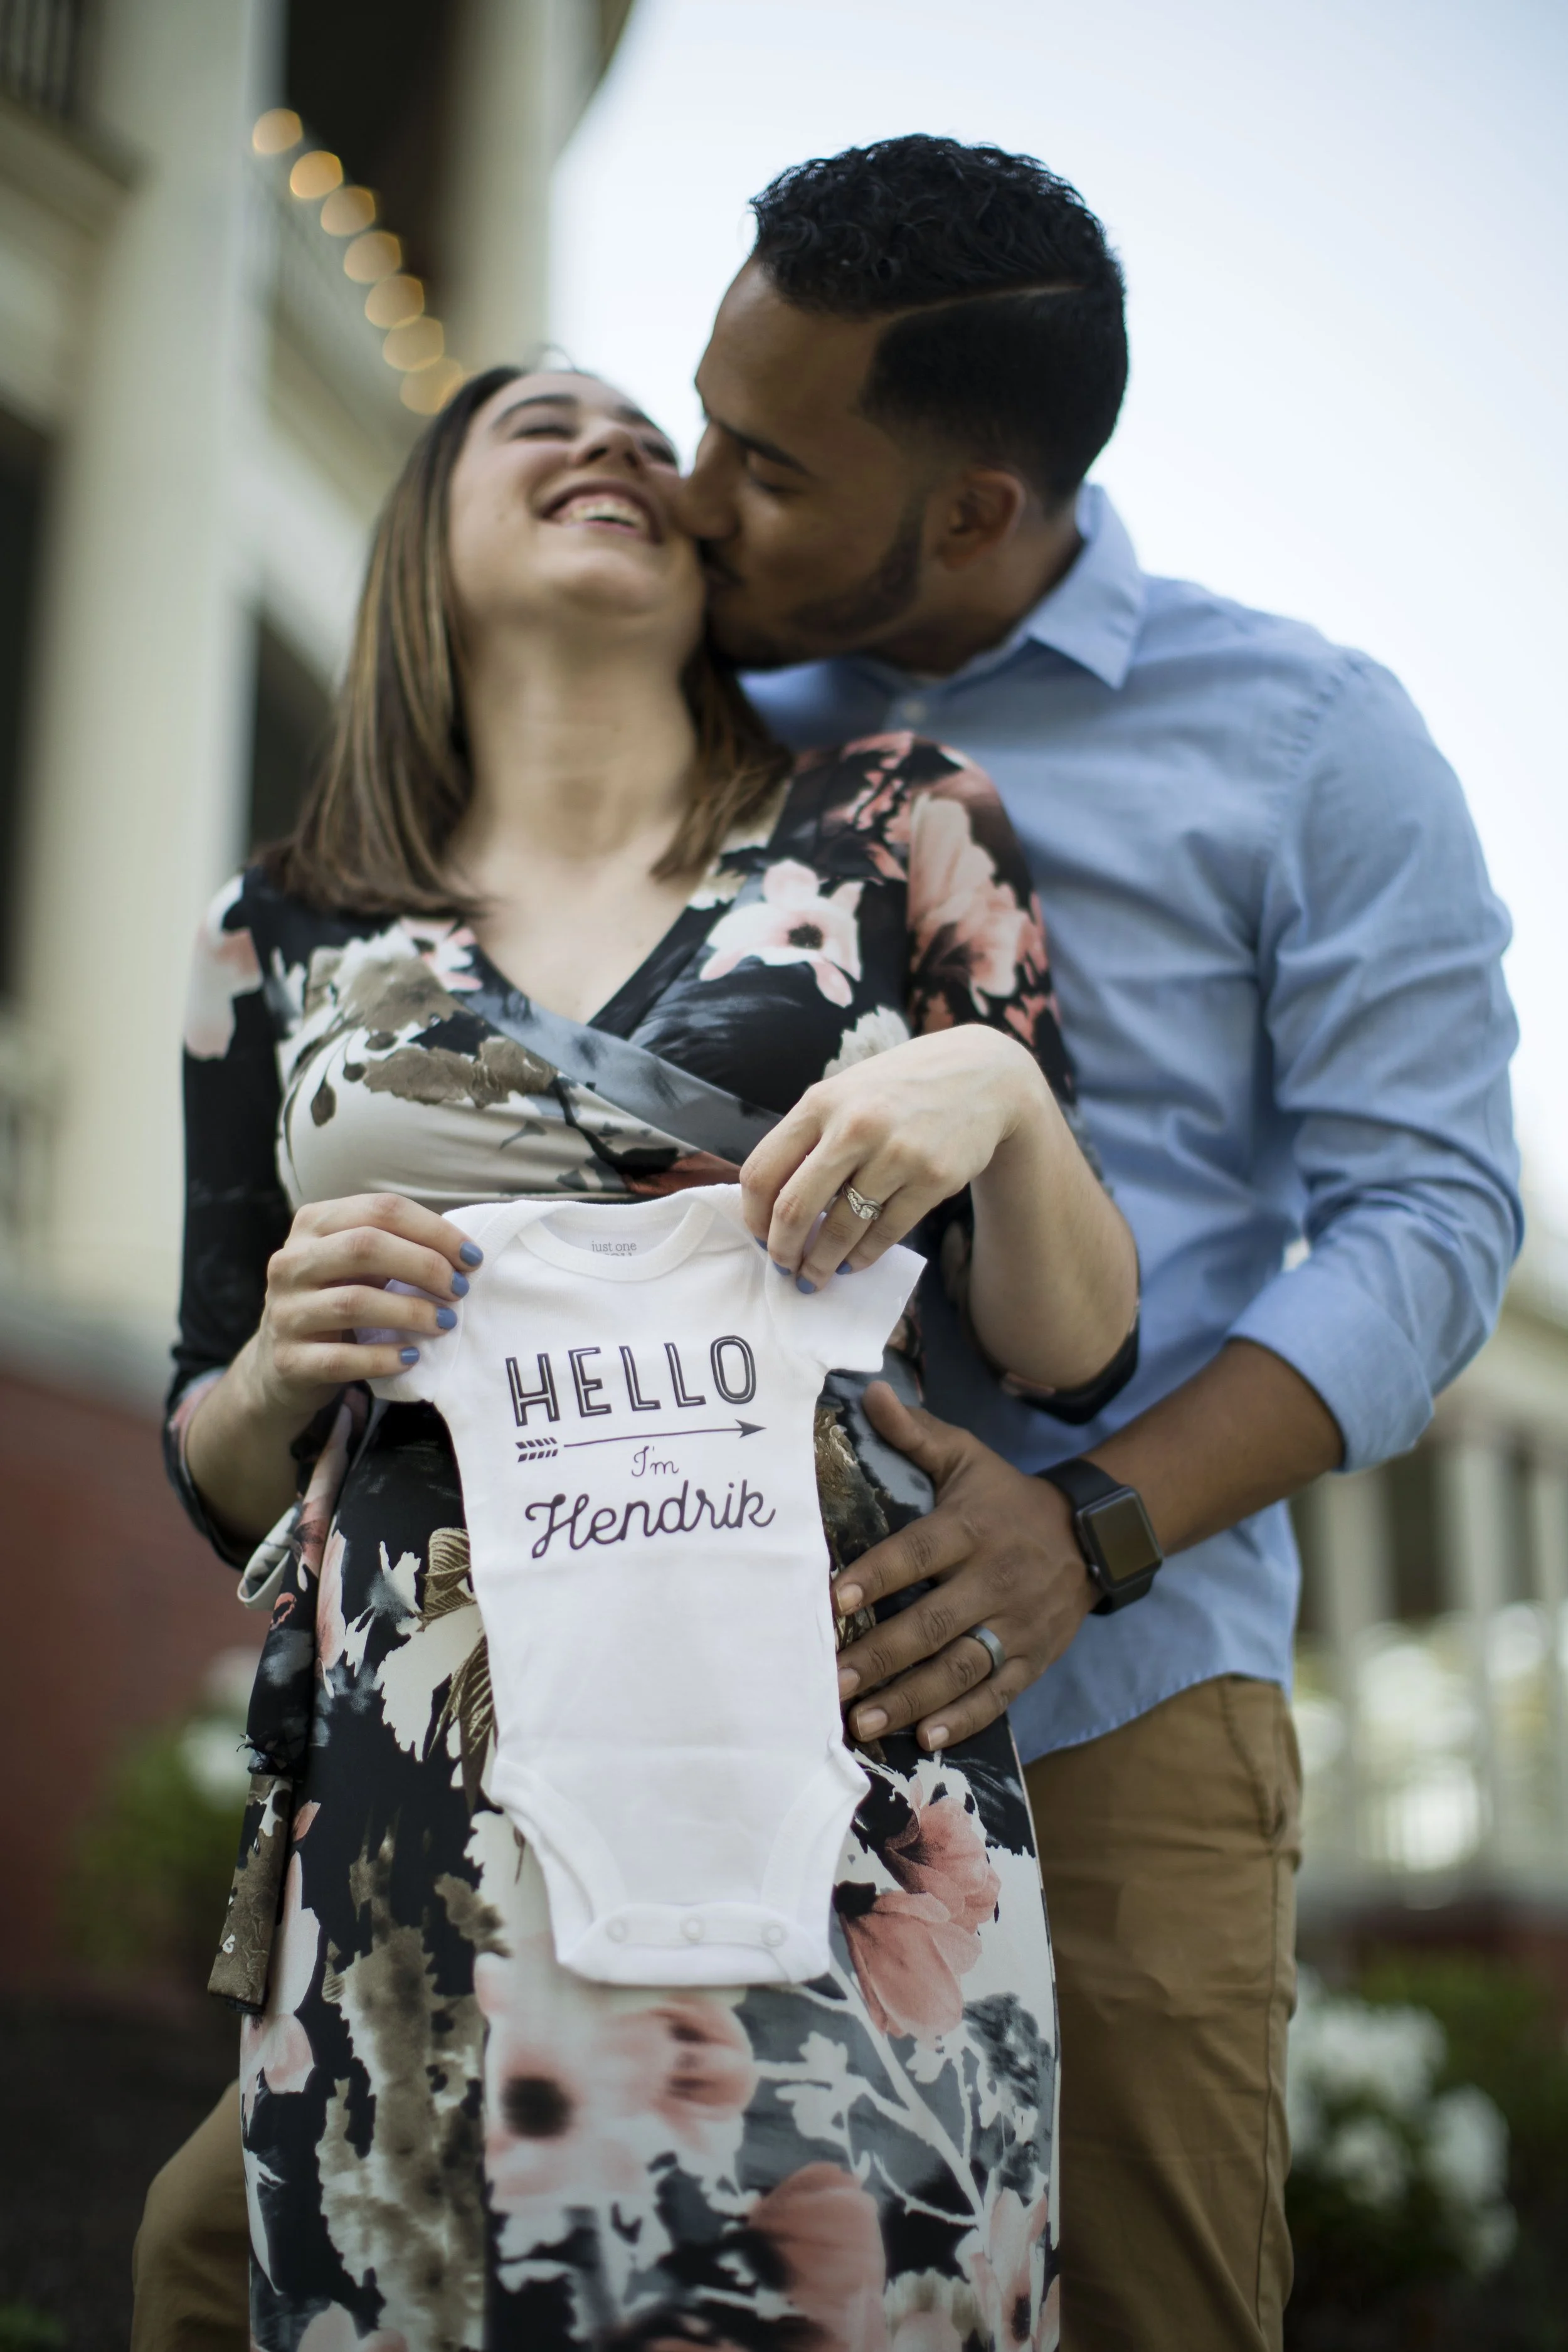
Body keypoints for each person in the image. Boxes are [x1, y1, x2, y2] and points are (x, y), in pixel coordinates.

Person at [143, 360, 1137, 2351]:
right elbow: (211, 1446)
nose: (606, 444)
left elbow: (1075, 1349)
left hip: (844, 1762)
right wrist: (272, 1369)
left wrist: (1003, 1107)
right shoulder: (280, 929)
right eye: (538, 424)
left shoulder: (895, 821)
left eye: (638, 437)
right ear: (425, 540)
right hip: (423, 1808)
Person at [676, 136, 1520, 2352]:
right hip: (688, 1682)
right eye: (703, 423)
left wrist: (1087, 1531)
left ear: (972, 508)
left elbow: (1433, 1218)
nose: (697, 496)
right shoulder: (703, 703)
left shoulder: (1311, 743)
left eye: (769, 466)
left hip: (1119, 1705)